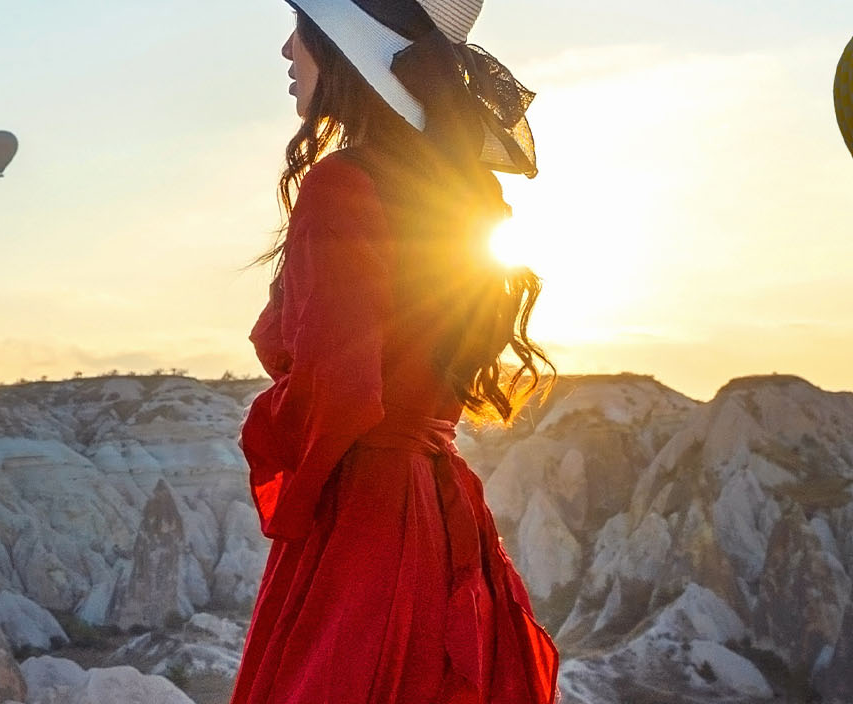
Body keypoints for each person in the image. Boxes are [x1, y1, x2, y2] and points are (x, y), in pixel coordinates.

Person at [235, 1, 557, 702]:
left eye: (304, 30)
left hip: (365, 519)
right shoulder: (452, 193)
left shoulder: (342, 183)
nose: (287, 50)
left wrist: (268, 432)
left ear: (346, 50)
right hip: (437, 508)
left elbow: (338, 390)